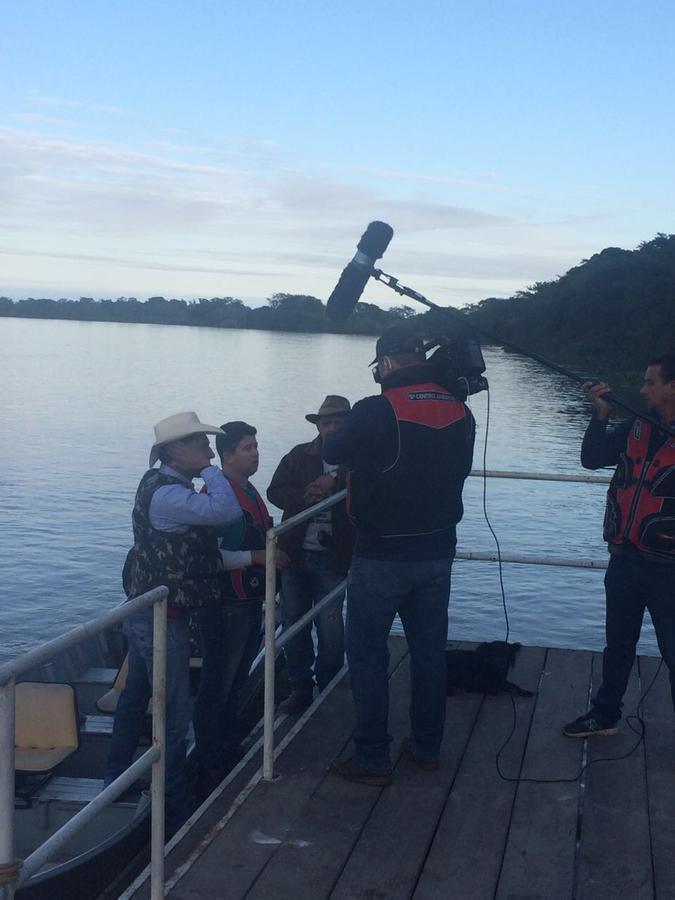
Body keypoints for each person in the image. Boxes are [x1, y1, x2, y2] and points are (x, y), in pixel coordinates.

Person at [323, 325, 475, 785]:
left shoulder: (377, 408)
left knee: (367, 655)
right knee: (429, 653)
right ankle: (427, 748)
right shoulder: (462, 410)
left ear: (386, 363)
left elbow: (332, 450)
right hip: (438, 551)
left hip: (381, 555)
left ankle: (372, 756)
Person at [106, 411, 242, 832]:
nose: (207, 449)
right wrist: (211, 471)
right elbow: (227, 511)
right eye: (199, 443)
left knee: (136, 694)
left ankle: (115, 776)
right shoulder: (168, 496)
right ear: (174, 451)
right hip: (161, 615)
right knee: (176, 710)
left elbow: (193, 555)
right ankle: (179, 809)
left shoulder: (167, 489)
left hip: (152, 608)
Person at [563, 354, 675, 737]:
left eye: (650, 383)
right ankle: (605, 714)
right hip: (625, 558)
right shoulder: (636, 426)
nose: (642, 390)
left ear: (672, 387)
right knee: (618, 645)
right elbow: (592, 459)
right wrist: (601, 414)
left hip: (669, 569)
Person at [193, 421, 289, 788]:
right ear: (227, 455)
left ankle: (226, 749)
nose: (256, 453)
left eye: (256, 446)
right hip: (226, 604)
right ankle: (208, 759)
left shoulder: (246, 490)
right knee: (218, 683)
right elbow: (207, 557)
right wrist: (258, 557)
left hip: (248, 601)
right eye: (247, 447)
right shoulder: (216, 500)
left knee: (234, 682)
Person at [267, 396, 355, 713]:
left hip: (334, 557)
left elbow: (374, 489)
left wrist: (336, 481)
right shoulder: (297, 456)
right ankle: (300, 688)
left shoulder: (359, 459)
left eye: (338, 422)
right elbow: (274, 491)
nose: (331, 428)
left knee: (331, 626)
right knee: (293, 624)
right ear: (317, 425)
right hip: (293, 554)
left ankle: (328, 685)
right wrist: (306, 497)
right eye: (326, 422)